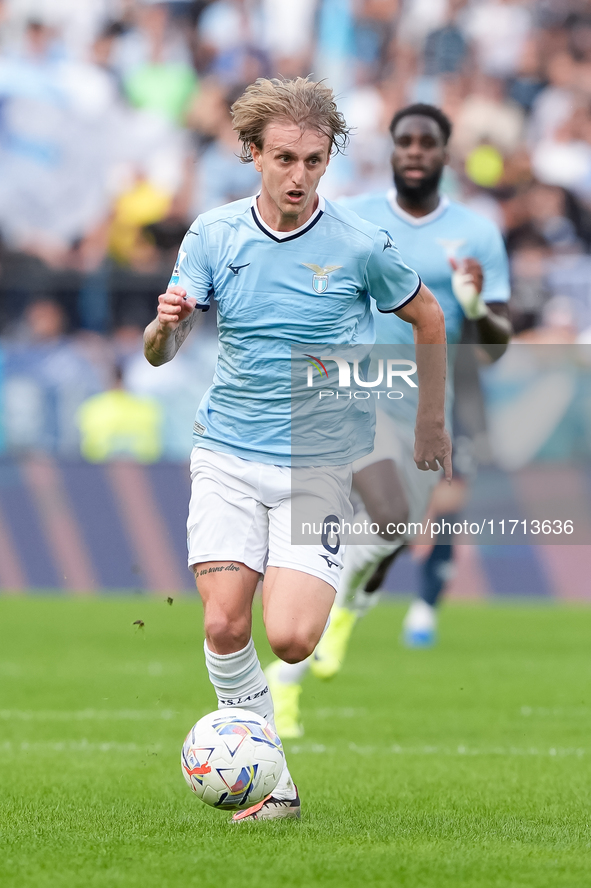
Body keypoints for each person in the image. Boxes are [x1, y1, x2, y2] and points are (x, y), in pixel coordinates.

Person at [143, 80, 450, 821]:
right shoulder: (213, 235)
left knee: (289, 639)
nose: (297, 175)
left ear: (327, 162)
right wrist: (164, 327)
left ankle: (355, 568)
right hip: (225, 453)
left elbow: (429, 317)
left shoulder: (357, 246)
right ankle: (267, 773)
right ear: (251, 154)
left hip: (319, 462)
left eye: (313, 160)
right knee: (223, 622)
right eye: (283, 158)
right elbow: (162, 350)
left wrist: (428, 424)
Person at [266, 102, 512, 737]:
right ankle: (285, 679)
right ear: (393, 149)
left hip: (430, 406)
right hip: (357, 393)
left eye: (427, 142)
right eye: (405, 140)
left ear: (445, 152)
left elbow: (494, 344)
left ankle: (353, 601)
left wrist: (476, 305)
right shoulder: (353, 218)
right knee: (377, 514)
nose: (414, 151)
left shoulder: (479, 233)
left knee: (397, 527)